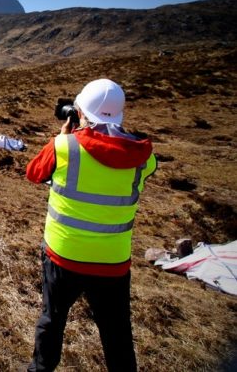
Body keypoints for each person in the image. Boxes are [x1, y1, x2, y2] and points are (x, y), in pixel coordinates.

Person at [25, 79, 157, 372]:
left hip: (63, 255)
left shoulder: (64, 147)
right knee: (117, 332)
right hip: (112, 262)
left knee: (52, 320)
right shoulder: (143, 158)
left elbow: (34, 173)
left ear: (81, 112)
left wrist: (63, 136)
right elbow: (125, 152)